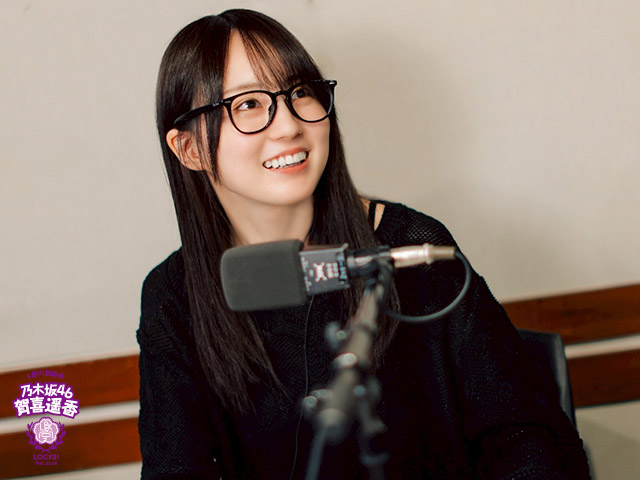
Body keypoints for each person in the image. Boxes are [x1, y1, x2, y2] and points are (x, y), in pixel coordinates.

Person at [137, 9, 590, 479]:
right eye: (249, 103)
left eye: (300, 92)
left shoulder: (410, 249)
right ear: (190, 149)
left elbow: (524, 434)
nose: (289, 124)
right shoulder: (174, 296)